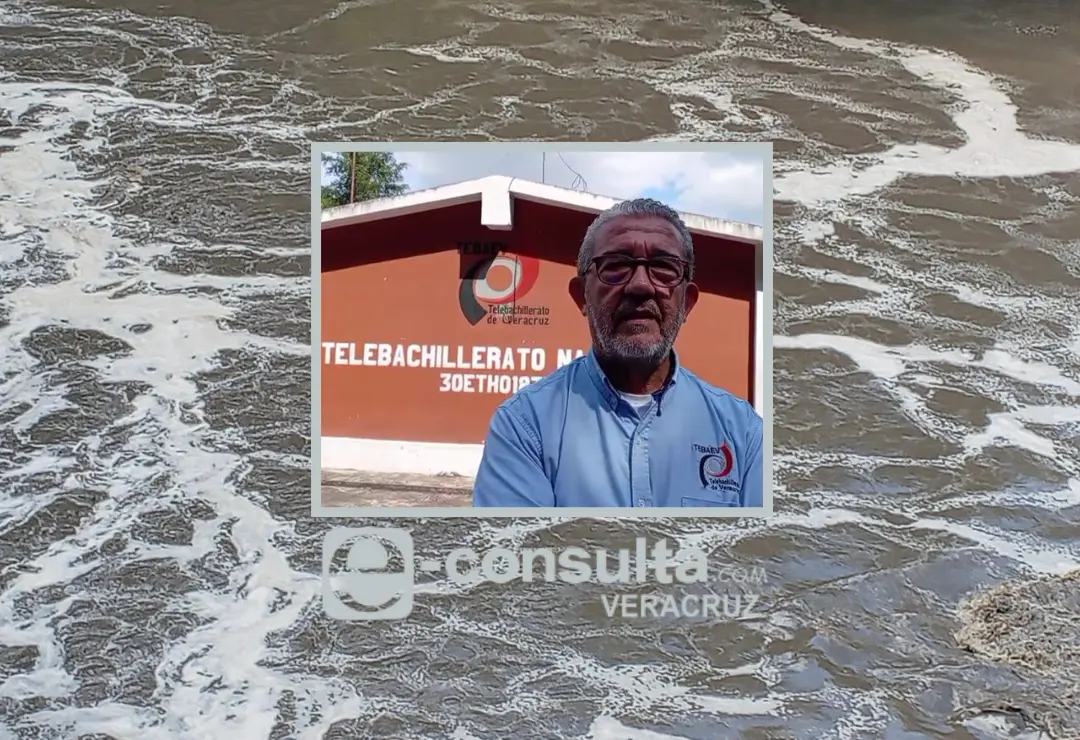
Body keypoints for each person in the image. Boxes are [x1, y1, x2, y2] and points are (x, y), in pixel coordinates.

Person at [472, 197, 764, 508]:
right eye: (616, 267)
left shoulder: (743, 432)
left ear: (686, 303)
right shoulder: (525, 426)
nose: (640, 285)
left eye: (664, 268)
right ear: (581, 297)